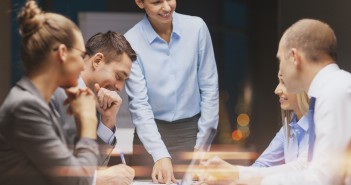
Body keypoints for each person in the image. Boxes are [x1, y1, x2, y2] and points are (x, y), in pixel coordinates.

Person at [0, 0, 99, 184]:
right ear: (62, 52)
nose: (82, 66)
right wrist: (88, 121)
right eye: (81, 56)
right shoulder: (25, 107)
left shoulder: (38, 103)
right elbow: (76, 180)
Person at [124, 0, 219, 183]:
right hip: (150, 137)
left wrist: (202, 148)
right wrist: (159, 154)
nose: (167, 7)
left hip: (193, 132)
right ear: (139, 2)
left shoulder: (197, 28)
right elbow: (139, 104)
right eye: (157, 2)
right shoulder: (130, 41)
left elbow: (209, 88)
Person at [260, 19, 351, 185]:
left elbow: (324, 178)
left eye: (281, 59)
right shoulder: (332, 89)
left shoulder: (335, 91)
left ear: (294, 57)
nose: (281, 70)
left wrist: (250, 179)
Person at [51, 31, 136, 185]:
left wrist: (107, 120)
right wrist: (98, 179)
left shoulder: (93, 103)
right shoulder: (54, 91)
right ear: (97, 61)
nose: (119, 87)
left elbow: (92, 167)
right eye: (118, 76)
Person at [197, 73, 311, 184]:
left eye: (284, 83)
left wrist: (234, 173)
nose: (277, 90)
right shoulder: (289, 126)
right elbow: (262, 165)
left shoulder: (321, 124)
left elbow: (301, 169)